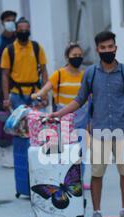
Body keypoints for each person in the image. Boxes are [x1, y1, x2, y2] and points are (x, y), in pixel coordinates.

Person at [50, 31, 124, 217]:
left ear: (116, 48)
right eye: (103, 48)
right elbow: (79, 99)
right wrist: (59, 113)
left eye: (110, 47)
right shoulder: (90, 73)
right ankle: (97, 212)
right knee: (97, 174)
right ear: (97, 50)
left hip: (123, 131)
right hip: (99, 132)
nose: (107, 50)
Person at [31, 42, 90, 189]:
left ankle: (79, 181)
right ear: (67, 57)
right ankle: (64, 180)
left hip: (82, 120)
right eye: (74, 55)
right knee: (65, 154)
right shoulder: (59, 74)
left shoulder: (86, 75)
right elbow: (46, 88)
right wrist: (37, 95)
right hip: (63, 121)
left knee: (81, 152)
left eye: (80, 55)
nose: (77, 58)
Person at [1, 17, 48, 110]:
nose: (24, 31)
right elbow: (5, 75)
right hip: (16, 94)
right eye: (21, 29)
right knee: (20, 123)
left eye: (26, 29)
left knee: (39, 121)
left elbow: (44, 72)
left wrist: (44, 94)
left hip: (35, 92)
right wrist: (6, 98)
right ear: (16, 31)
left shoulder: (37, 47)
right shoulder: (9, 50)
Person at [0, 10, 17, 111]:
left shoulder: (19, 40)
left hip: (17, 80)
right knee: (3, 107)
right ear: (3, 22)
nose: (11, 23)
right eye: (8, 20)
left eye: (13, 20)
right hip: (1, 80)